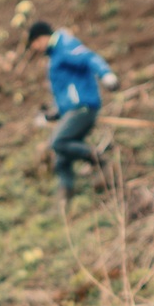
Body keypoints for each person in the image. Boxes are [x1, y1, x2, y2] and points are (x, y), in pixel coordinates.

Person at [25, 18, 118, 203]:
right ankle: (64, 202)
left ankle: (101, 161)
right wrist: (52, 114)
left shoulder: (64, 45)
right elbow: (65, 93)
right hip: (72, 110)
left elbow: (89, 58)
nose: (35, 48)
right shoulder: (54, 57)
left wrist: (106, 75)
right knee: (62, 159)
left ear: (41, 38)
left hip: (83, 108)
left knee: (58, 142)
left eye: (34, 43)